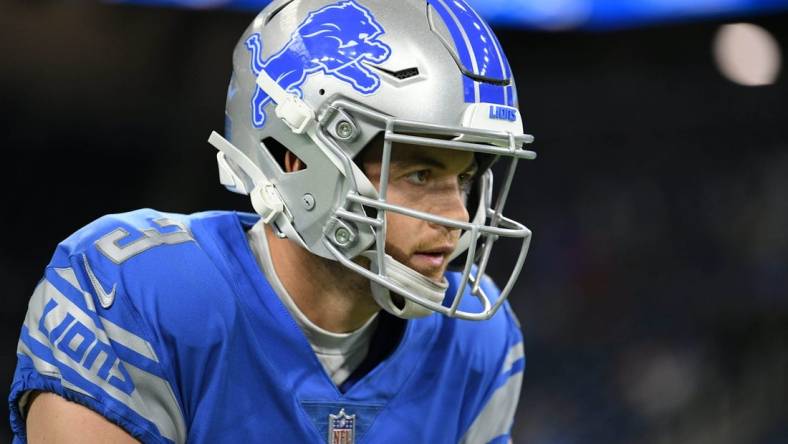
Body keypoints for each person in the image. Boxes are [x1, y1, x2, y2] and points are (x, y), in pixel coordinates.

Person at [9, 0, 536, 442]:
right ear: (297, 159)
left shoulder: (475, 341)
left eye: (463, 180)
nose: (458, 218)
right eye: (421, 174)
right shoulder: (134, 293)